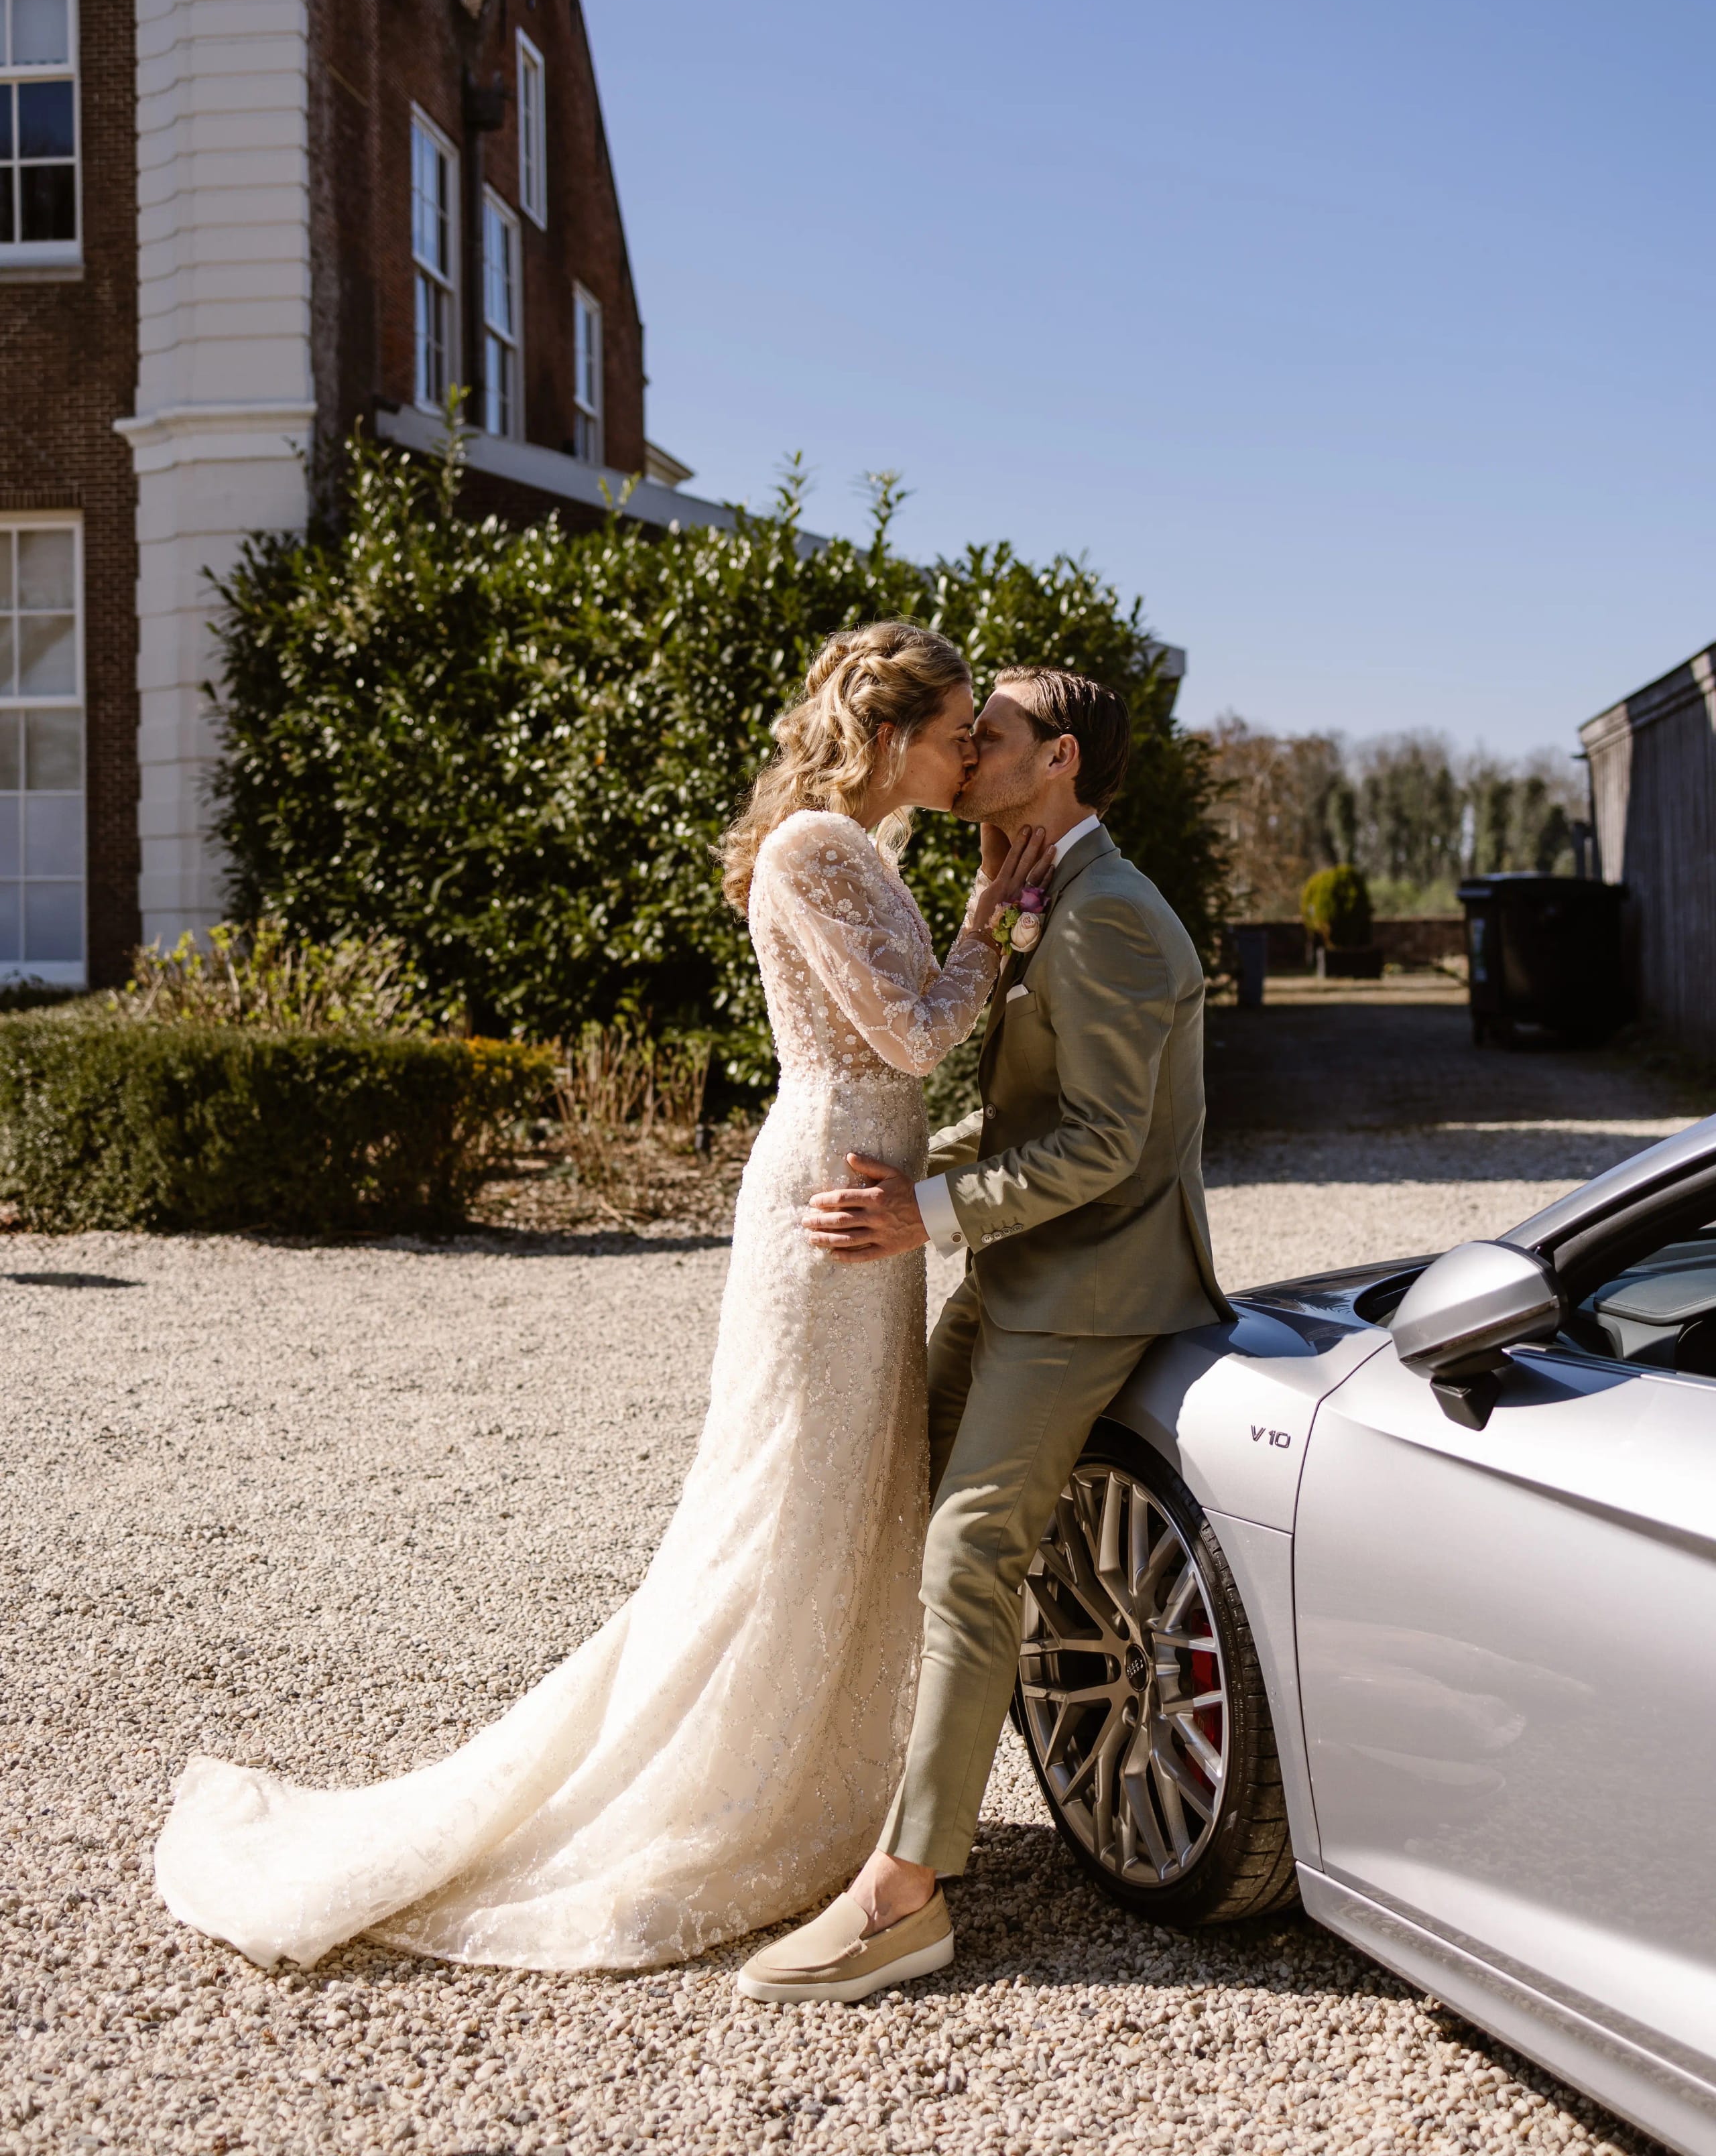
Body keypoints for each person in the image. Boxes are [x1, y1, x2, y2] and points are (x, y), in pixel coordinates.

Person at [153, 621, 1052, 1974]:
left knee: (850, 1491)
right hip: (827, 1202)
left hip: (874, 1191)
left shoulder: (868, 848)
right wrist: (991, 915)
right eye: (953, 732)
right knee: (785, 1492)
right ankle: (706, 1796)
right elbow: (916, 1035)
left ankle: (798, 1786)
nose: (969, 753)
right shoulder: (815, 848)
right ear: (887, 736)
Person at [737, 665, 1229, 2004]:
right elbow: (1025, 1118)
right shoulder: (1042, 891)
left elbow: (1107, 1142)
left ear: (1055, 759)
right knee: (897, 1489)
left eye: (990, 736)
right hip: (1017, 1271)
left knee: (966, 1550)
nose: (966, 756)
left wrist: (925, 1213)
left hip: (1092, 1288)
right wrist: (903, 1181)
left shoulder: (1111, 912)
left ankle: (905, 1897)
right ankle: (918, 1789)